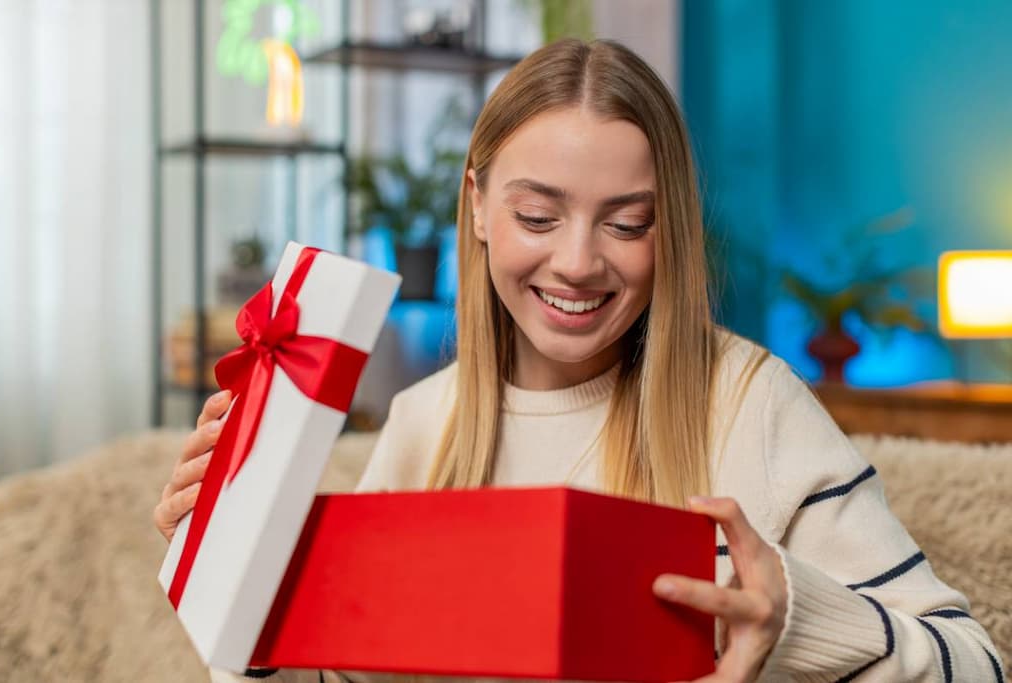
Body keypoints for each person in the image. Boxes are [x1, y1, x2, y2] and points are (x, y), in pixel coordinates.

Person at [154, 39, 1005, 683]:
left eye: (627, 223)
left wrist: (795, 616)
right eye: (538, 216)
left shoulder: (750, 402)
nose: (577, 262)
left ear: (666, 227)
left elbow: (976, 661)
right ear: (478, 205)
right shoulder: (424, 423)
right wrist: (243, 585)